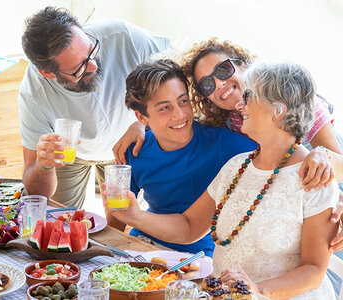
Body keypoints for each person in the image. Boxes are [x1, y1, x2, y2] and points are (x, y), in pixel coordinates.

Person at [105, 62, 340, 299]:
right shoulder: (236, 165)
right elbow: (189, 227)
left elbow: (314, 270)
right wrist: (133, 215)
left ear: (277, 110)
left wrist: (257, 290)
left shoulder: (315, 178)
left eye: (248, 96)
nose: (239, 105)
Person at [113, 37, 343, 251]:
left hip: (325, 173)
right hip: (150, 244)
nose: (220, 84)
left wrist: (325, 161)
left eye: (223, 70)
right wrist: (141, 126)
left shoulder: (292, 105)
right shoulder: (228, 123)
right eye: (207, 85)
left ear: (243, 64)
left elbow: (320, 163)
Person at [18, 6, 169, 207]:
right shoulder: (33, 94)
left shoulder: (123, 36)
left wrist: (146, 123)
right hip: (71, 156)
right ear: (48, 74)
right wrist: (44, 165)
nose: (93, 66)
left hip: (128, 142)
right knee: (58, 218)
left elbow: (177, 73)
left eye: (91, 51)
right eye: (78, 68)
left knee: (129, 218)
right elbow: (37, 193)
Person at [110, 59, 256, 256]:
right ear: (142, 117)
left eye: (183, 101)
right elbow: (116, 220)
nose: (180, 115)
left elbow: (279, 153)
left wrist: (313, 154)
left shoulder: (224, 145)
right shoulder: (134, 149)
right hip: (142, 245)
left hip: (200, 257)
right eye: (164, 108)